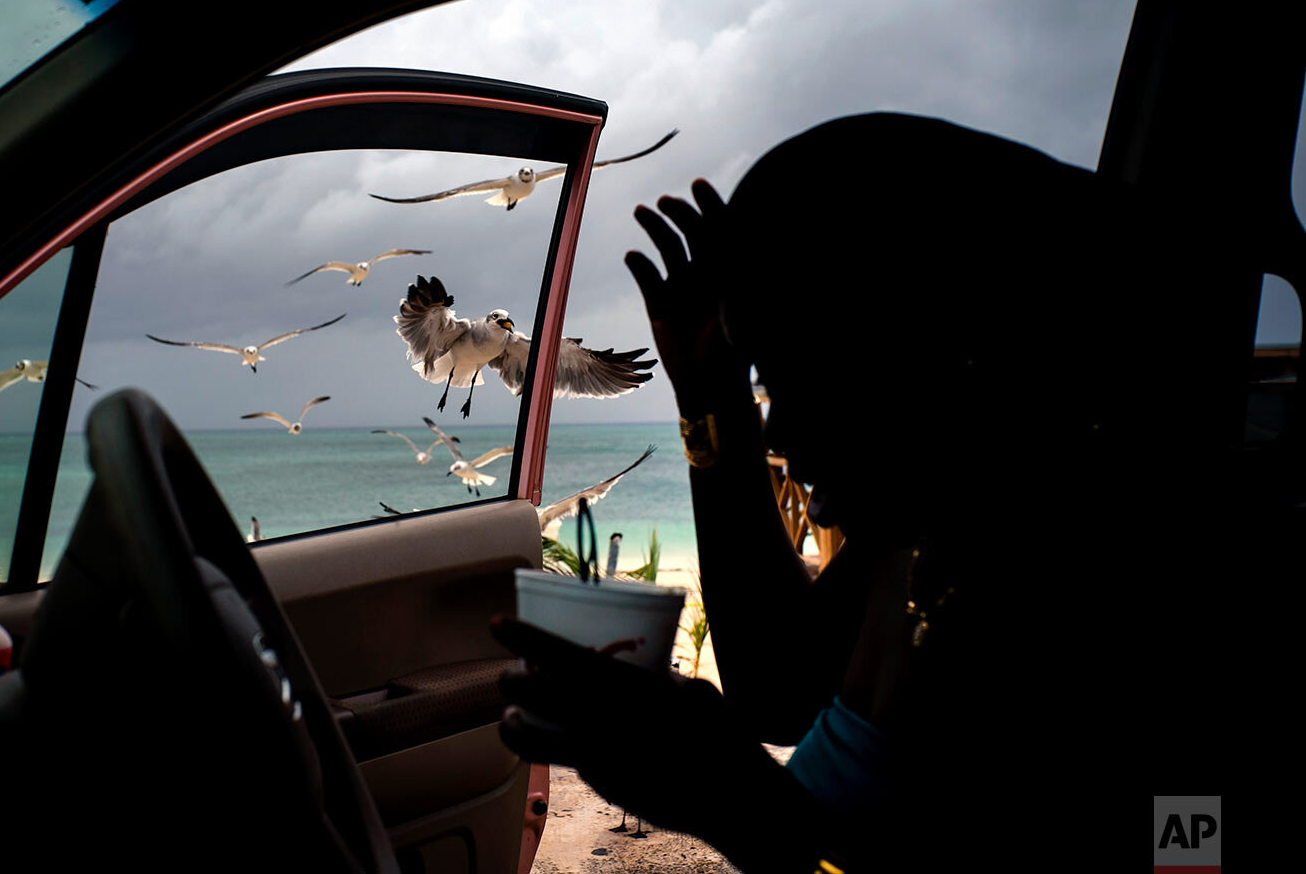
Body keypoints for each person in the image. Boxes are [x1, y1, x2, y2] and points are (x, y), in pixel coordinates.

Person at [493, 113, 1222, 870]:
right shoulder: (924, 545)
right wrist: (711, 397)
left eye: (804, 384)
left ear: (943, 358)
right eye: (766, 389)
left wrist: (740, 802)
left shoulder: (1134, 614)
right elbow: (776, 690)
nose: (776, 438)